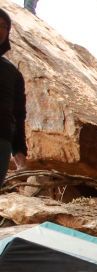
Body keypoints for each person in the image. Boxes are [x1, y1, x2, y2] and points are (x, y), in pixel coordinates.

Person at [0, 8, 27, 187]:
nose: (0, 29)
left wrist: (19, 152)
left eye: (4, 26)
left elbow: (18, 115)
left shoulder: (13, 73)